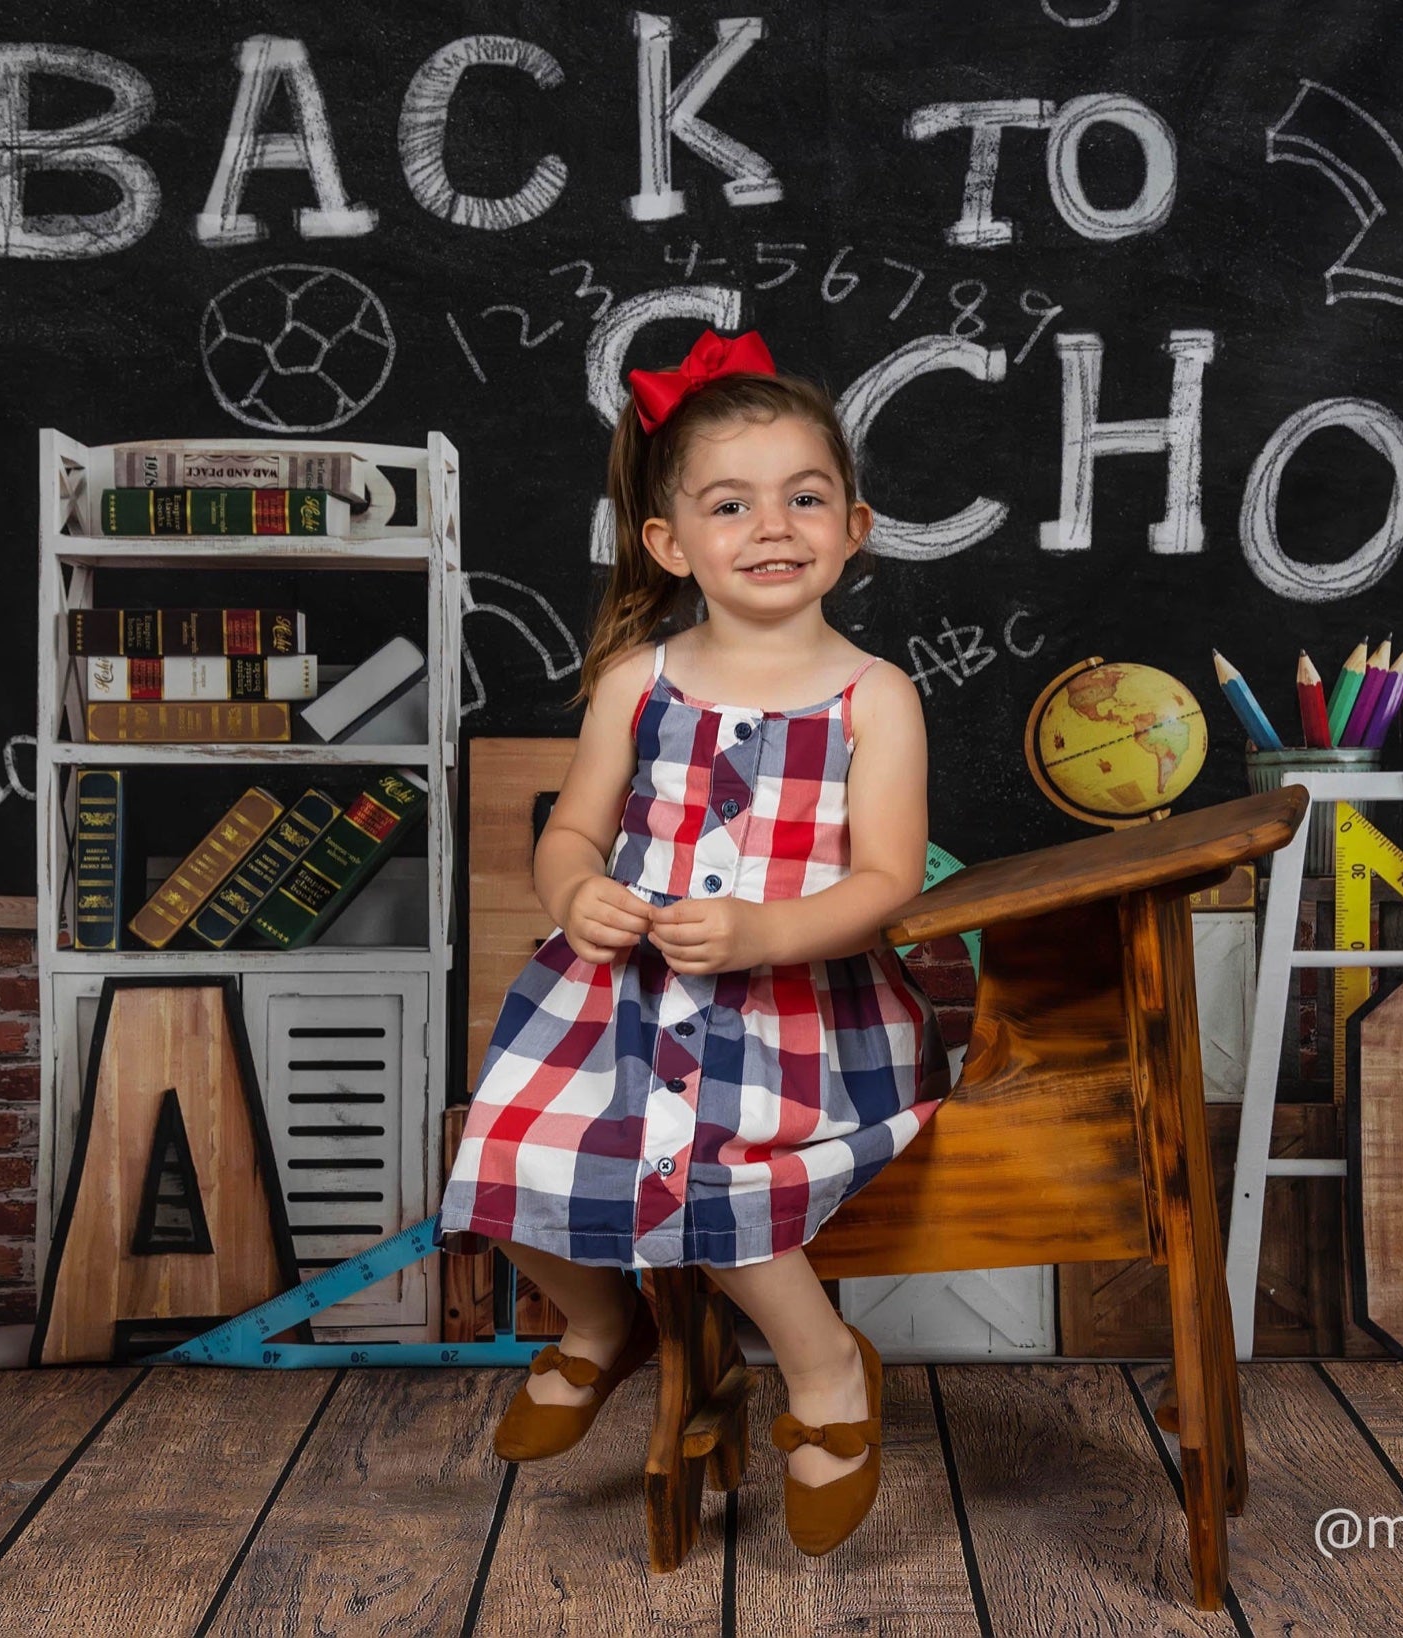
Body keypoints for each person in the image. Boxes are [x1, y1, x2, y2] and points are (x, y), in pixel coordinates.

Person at [439, 328, 950, 1557]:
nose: (772, 526)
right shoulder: (637, 678)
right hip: (621, 994)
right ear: (670, 544)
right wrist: (575, 895)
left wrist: (768, 929)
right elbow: (571, 831)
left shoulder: (871, 696)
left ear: (855, 525)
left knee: (715, 1181)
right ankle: (599, 1325)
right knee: (501, 1152)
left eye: (804, 497)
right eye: (732, 503)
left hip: (796, 1008)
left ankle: (826, 1370)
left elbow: (882, 880)